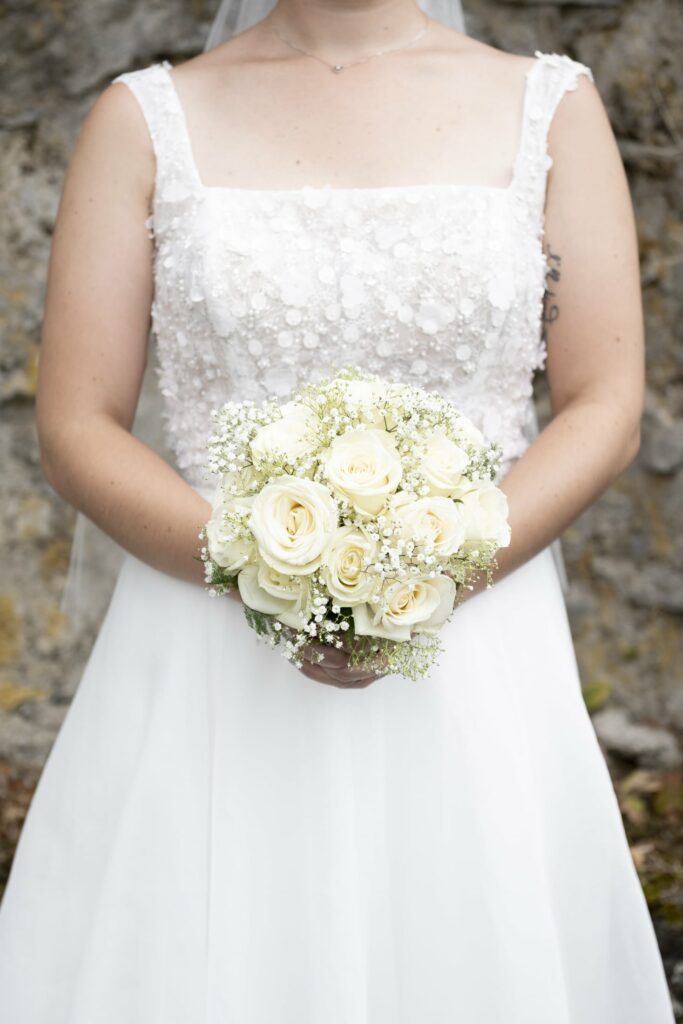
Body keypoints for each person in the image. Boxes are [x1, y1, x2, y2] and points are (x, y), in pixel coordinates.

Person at [0, 0, 676, 1020]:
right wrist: (263, 569)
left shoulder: (551, 107)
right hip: (210, 642)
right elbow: (76, 425)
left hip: (473, 651)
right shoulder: (141, 119)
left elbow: (605, 406)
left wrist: (433, 572)